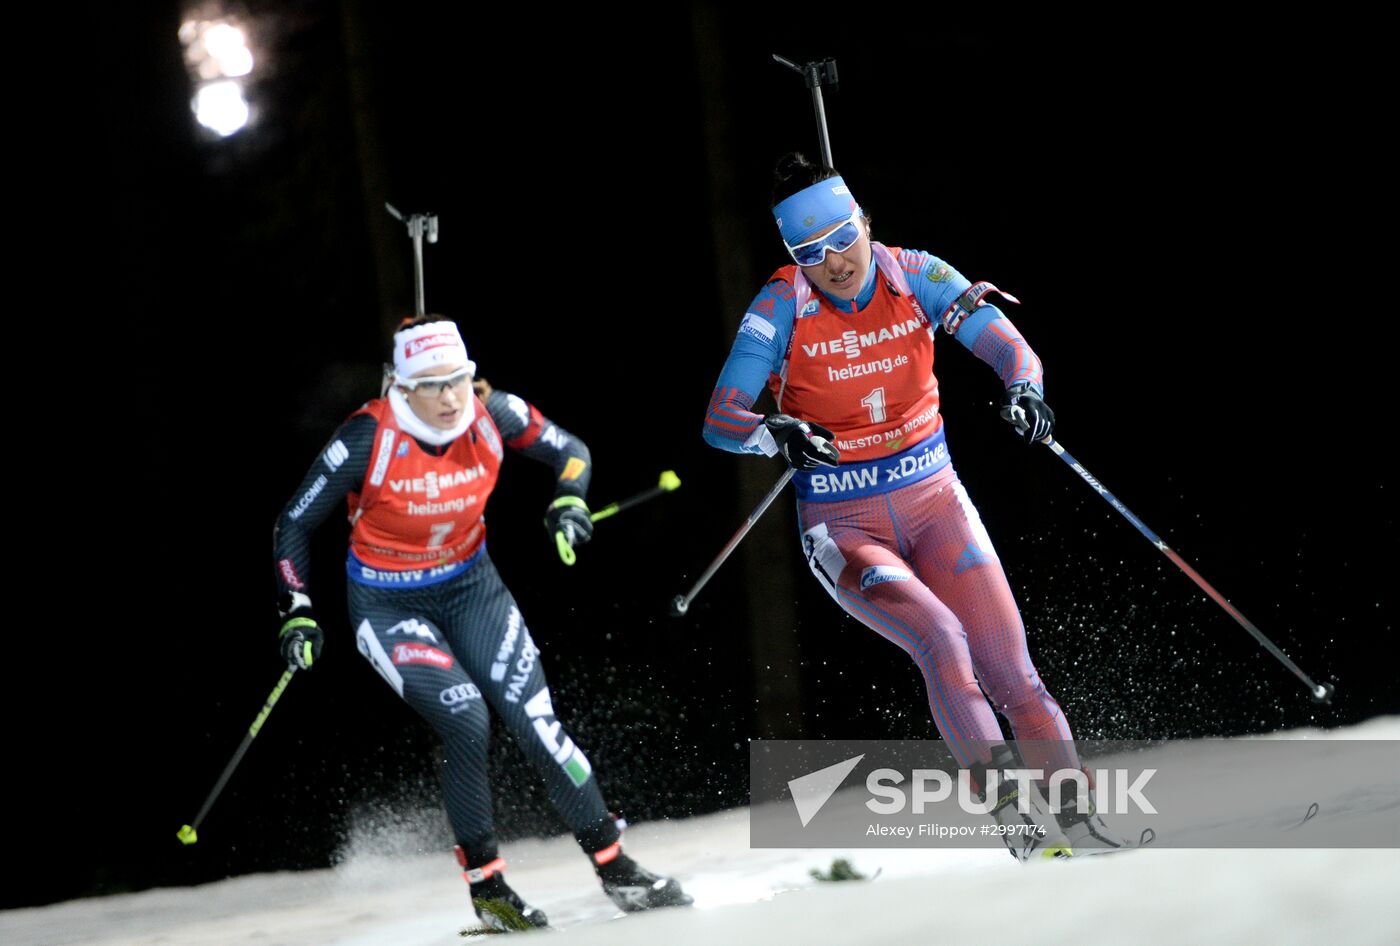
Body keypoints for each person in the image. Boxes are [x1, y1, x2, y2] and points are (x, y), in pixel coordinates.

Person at [702, 153, 1129, 859]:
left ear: (865, 224)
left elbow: (1009, 348)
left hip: (936, 504)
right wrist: (774, 433)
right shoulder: (780, 306)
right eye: (811, 253)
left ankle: (1084, 826)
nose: (835, 262)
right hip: (844, 527)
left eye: (844, 239)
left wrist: (1025, 390)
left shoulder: (916, 275)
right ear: (794, 258)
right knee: (942, 640)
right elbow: (721, 421)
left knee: (1013, 674)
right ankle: (1021, 829)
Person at [273, 316, 691, 929]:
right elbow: (293, 523)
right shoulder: (368, 435)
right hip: (389, 604)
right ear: (401, 387)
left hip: (473, 590)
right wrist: (298, 610)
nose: (450, 398)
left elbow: (571, 451)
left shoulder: (494, 412)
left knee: (537, 722)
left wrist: (569, 499)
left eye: (458, 380)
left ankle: (618, 869)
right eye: (431, 385)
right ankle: (489, 890)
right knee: (467, 718)